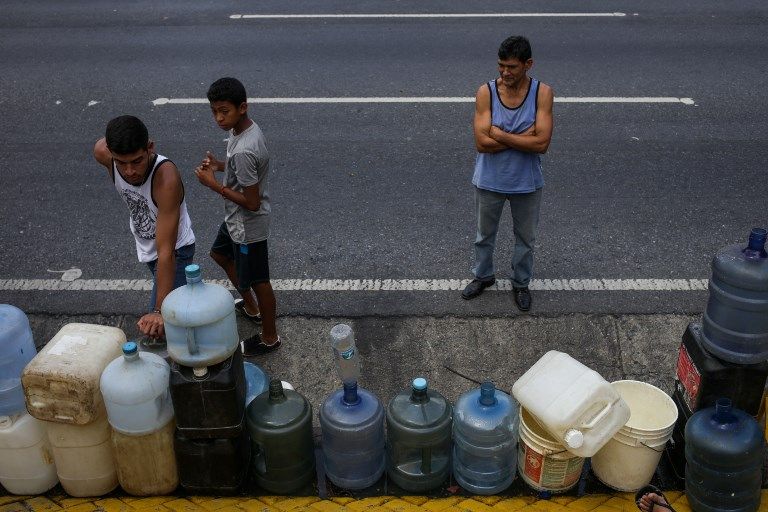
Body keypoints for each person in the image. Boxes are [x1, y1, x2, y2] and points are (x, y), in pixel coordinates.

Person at [461, 35, 554, 311]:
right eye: (501, 65)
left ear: (528, 64)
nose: (505, 72)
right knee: (483, 235)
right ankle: (483, 276)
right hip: (489, 180)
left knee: (526, 240)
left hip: (527, 183)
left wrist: (500, 134)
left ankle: (521, 283)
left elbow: (542, 143)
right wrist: (523, 137)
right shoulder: (485, 92)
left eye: (512, 67)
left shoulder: (542, 93)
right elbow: (481, 143)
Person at [194, 77, 280, 356]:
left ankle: (269, 337)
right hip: (234, 219)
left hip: (247, 225)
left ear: (242, 107)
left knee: (259, 280)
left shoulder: (244, 149)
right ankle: (251, 308)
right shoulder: (243, 130)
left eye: (224, 111)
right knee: (219, 255)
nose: (218, 118)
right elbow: (242, 169)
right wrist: (221, 165)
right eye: (214, 111)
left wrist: (214, 184)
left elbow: (252, 203)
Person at [93, 115, 196, 341]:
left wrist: (159, 312)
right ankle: (191, 303)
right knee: (179, 301)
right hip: (149, 249)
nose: (129, 171)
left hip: (174, 251)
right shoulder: (103, 153)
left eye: (137, 161)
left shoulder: (166, 179)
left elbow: (166, 252)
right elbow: (103, 143)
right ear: (111, 152)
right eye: (121, 163)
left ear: (150, 147)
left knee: (160, 329)